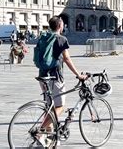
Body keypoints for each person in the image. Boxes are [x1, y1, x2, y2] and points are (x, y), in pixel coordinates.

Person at [37, 16, 87, 146]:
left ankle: (50, 138)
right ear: (59, 26)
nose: (63, 26)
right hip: (55, 77)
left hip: (42, 76)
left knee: (49, 107)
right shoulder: (61, 39)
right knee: (60, 107)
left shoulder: (44, 37)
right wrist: (78, 74)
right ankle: (40, 132)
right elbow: (67, 59)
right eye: (63, 24)